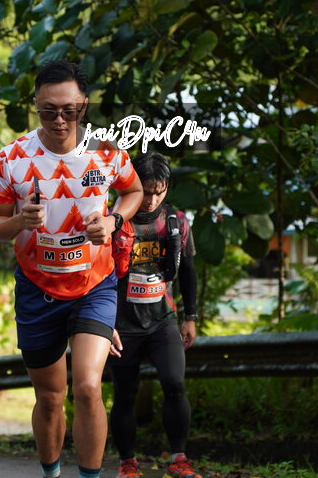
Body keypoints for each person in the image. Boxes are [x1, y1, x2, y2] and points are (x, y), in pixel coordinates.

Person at [0, 59, 143, 478]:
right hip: (37, 288)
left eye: (69, 110)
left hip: (94, 285)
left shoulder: (106, 151)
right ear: (36, 106)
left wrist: (113, 221)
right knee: (51, 397)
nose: (59, 120)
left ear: (84, 106)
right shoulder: (11, 159)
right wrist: (19, 222)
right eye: (48, 110)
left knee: (88, 387)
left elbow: (134, 191)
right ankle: (51, 473)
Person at [108, 152, 201, 478]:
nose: (151, 200)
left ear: (167, 189)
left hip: (163, 319)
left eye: (158, 192)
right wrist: (104, 324)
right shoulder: (112, 220)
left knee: (175, 383)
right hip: (122, 324)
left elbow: (188, 269)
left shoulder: (176, 222)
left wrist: (191, 317)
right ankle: (127, 463)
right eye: (145, 191)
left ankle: (178, 458)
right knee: (125, 394)